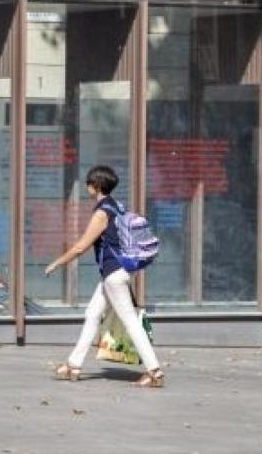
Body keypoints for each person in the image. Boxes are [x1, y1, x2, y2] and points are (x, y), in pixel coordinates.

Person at [44, 165, 164, 388]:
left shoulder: (102, 212)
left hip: (114, 275)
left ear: (97, 186)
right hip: (114, 274)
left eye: (89, 183)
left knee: (130, 322)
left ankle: (154, 371)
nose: (87, 187)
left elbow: (81, 246)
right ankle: (73, 365)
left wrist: (56, 263)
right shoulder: (116, 206)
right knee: (92, 314)